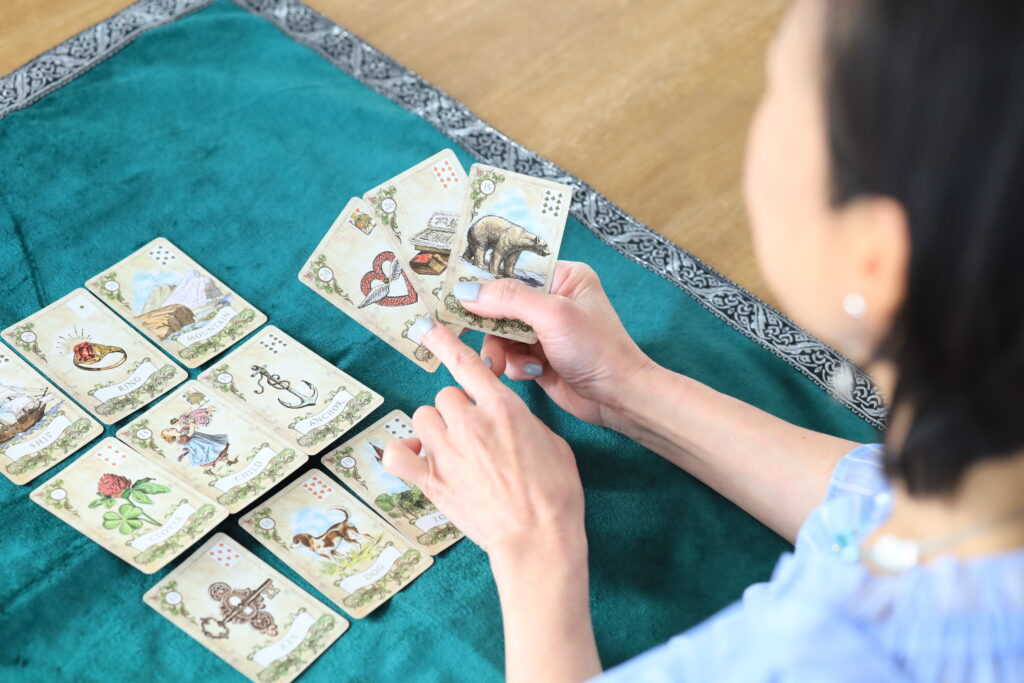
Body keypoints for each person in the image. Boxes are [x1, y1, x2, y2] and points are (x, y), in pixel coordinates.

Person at [387, 0, 1024, 680]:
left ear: (872, 259)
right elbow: (878, 503)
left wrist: (534, 543)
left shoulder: (836, 653)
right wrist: (632, 390)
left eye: (777, 92)